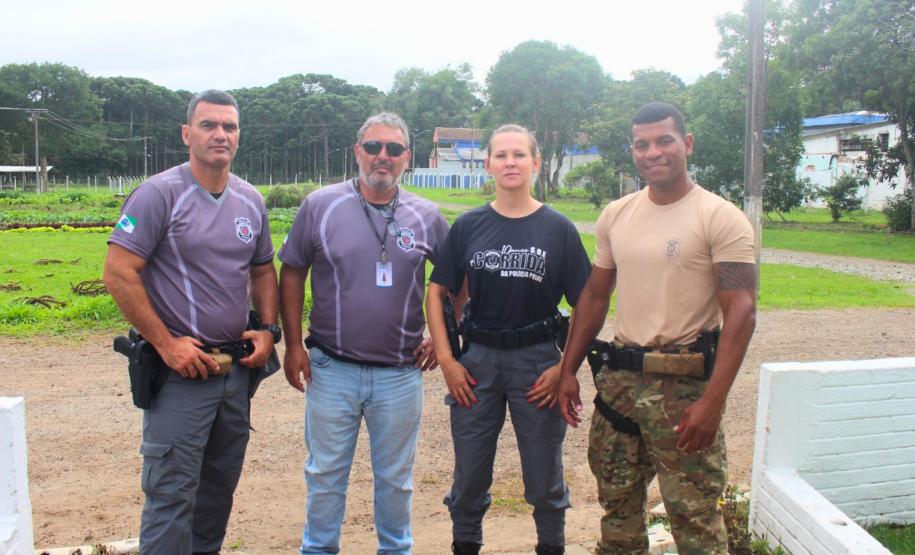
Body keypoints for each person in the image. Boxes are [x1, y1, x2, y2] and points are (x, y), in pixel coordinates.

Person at [554, 101, 757, 555]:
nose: (654, 152)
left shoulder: (719, 217)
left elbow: (742, 312)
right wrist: (567, 370)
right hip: (620, 385)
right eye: (642, 144)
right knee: (618, 507)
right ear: (633, 151)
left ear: (686, 144)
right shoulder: (617, 214)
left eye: (664, 141)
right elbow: (594, 296)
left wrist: (714, 402)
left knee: (694, 516)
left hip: (684, 387)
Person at [103, 89, 280, 555]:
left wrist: (267, 329)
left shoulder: (249, 200)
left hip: (234, 374)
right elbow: (119, 272)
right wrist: (165, 344)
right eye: (209, 125)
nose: (220, 134)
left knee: (217, 493)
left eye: (229, 126)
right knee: (171, 496)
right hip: (182, 373)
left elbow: (263, 269)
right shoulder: (160, 194)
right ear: (187, 134)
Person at [278, 112, 448, 555]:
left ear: (407, 158)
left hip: (399, 372)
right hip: (332, 367)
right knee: (326, 472)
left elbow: (456, 284)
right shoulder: (321, 205)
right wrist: (293, 345)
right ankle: (318, 549)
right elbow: (292, 272)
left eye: (394, 149)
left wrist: (443, 337)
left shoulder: (427, 216)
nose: (382, 157)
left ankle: (395, 549)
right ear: (357, 152)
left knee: (395, 478)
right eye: (373, 147)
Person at [426, 124, 592, 555]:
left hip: (537, 362)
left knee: (544, 477)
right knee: (470, 475)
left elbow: (586, 306)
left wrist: (565, 367)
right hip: (477, 361)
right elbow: (437, 290)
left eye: (519, 155)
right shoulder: (469, 226)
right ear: (487, 165)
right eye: (501, 155)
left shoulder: (558, 229)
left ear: (536, 162)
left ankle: (550, 547)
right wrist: (447, 359)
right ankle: (466, 545)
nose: (510, 162)